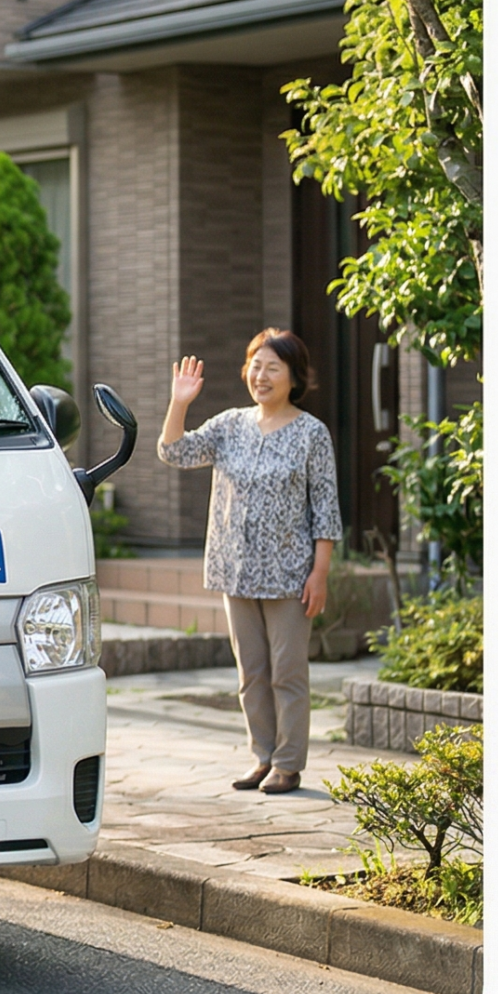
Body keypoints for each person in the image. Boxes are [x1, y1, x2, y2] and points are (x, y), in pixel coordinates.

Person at [157, 328, 342, 795]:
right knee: (251, 673)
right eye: (255, 366)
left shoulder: (311, 434)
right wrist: (180, 402)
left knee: (287, 672)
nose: (261, 376)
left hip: (289, 576)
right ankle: (262, 756)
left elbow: (325, 508)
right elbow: (173, 451)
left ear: (293, 377)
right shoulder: (229, 425)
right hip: (235, 571)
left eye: (272, 367)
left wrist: (320, 573)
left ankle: (288, 762)